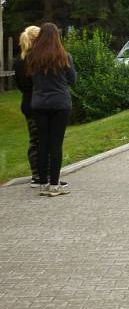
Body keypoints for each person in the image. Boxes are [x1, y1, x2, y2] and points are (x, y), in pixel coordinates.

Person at [13, 25, 68, 190]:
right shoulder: (36, 59)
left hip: (31, 102)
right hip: (40, 102)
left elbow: (21, 85)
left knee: (37, 140)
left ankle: (40, 176)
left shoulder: (21, 60)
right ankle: (43, 176)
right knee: (45, 141)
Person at [26, 23, 76, 197]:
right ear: (57, 37)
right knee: (56, 144)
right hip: (60, 103)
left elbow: (30, 79)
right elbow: (72, 79)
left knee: (42, 144)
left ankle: (42, 184)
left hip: (39, 103)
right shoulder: (64, 56)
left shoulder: (33, 56)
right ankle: (55, 184)